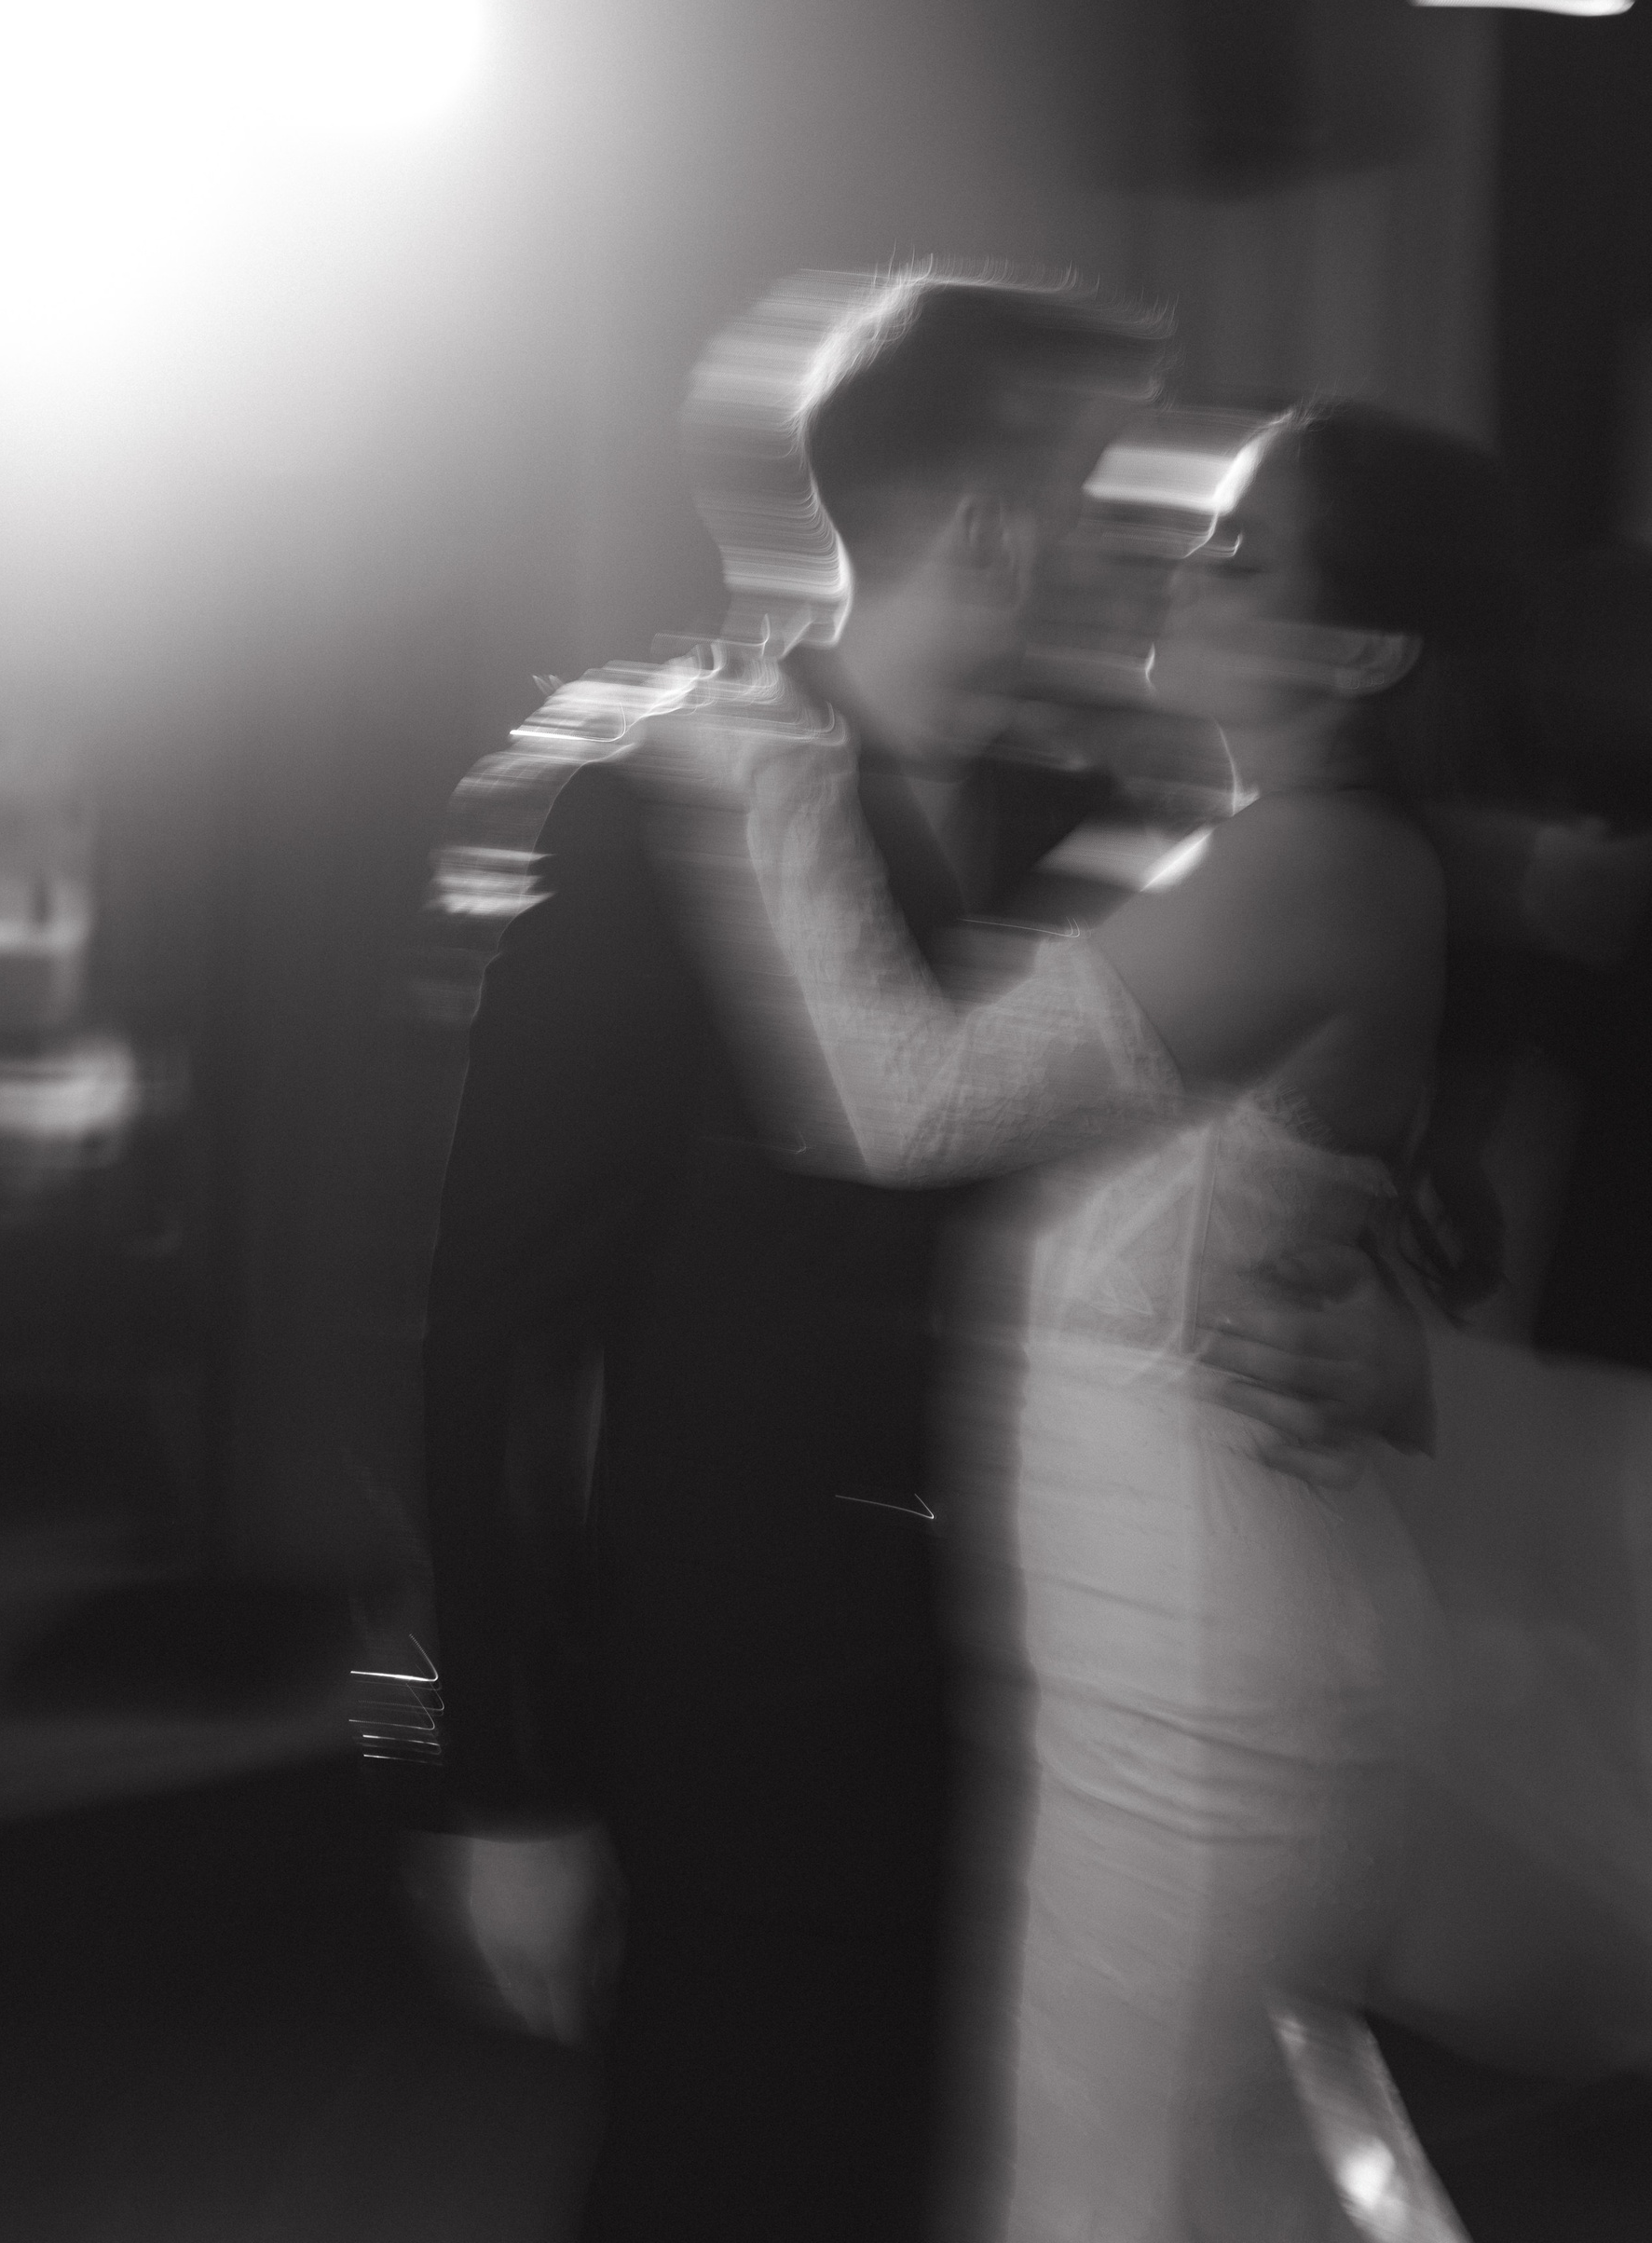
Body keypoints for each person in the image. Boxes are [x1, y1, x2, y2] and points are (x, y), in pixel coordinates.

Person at [417, 280, 1435, 2243]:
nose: (1152, 549)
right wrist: (503, 1778)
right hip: (744, 1701)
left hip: (1071, 1708)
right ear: (991, 521)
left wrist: (1381, 1330)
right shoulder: (647, 815)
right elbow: (496, 1324)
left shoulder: (1127, 835)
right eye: (1118, 499)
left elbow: (1289, 1176)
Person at [635, 394, 1520, 2241]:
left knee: (1114, 2205)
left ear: (1365, 649)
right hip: (1160, 1642)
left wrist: (766, 765)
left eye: (1242, 550)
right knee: (1225, 2190)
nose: (1183, 562)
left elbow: (908, 1102)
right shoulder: (1250, 839)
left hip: (1197, 1677)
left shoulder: (1316, 861)